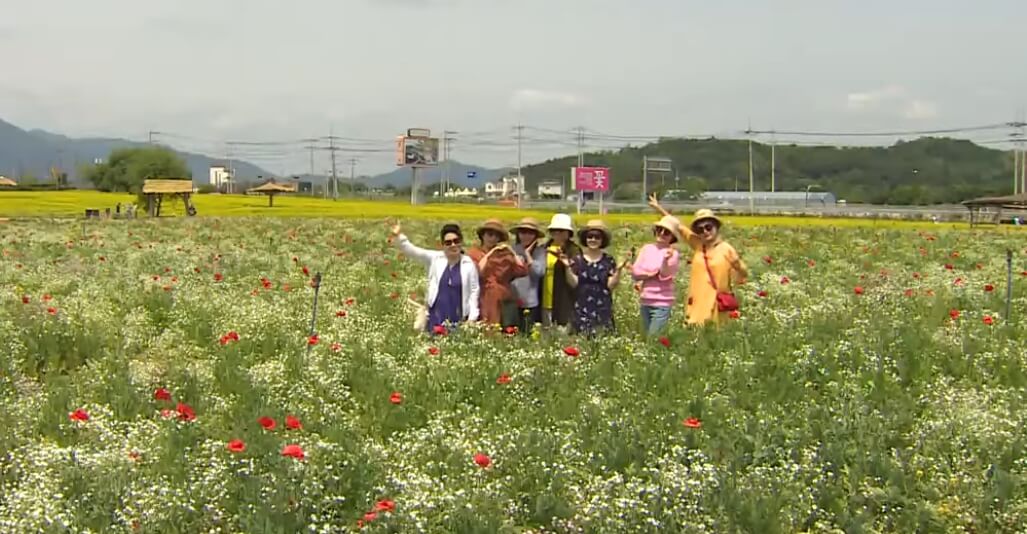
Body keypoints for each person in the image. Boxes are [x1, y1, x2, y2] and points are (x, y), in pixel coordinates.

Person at [649, 194, 749, 326]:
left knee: (714, 336)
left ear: (716, 227)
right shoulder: (697, 244)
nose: (705, 232)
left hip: (716, 304)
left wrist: (738, 272)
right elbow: (677, 225)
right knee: (694, 334)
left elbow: (743, 271)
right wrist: (658, 208)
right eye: (700, 229)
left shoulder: (726, 249)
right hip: (697, 302)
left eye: (708, 227)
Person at [392, 222, 480, 332]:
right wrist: (398, 235)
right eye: (448, 243)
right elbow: (413, 251)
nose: (453, 245)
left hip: (459, 317)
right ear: (443, 245)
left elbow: (473, 292)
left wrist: (472, 318)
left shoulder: (468, 264)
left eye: (456, 241)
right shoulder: (436, 258)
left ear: (461, 242)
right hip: (436, 316)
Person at [557, 219, 631, 336]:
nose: (593, 240)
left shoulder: (608, 260)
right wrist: (567, 267)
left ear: (602, 240)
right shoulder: (577, 260)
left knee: (602, 340)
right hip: (581, 307)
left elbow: (610, 286)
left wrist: (619, 270)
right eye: (590, 236)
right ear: (585, 239)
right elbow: (574, 283)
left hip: (602, 307)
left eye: (597, 237)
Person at [466, 219, 528, 327]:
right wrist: (491, 253)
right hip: (484, 296)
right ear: (483, 236)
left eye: (496, 236)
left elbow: (522, 270)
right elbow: (478, 271)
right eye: (490, 234)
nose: (493, 238)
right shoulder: (474, 253)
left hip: (503, 298)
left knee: (504, 330)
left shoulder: (503, 254)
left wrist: (512, 252)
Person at [631, 214, 682, 336]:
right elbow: (635, 272)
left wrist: (665, 261)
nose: (662, 233)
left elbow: (664, 275)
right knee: (646, 335)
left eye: (667, 232)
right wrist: (649, 274)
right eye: (660, 230)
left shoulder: (673, 254)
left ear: (672, 237)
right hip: (645, 299)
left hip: (662, 302)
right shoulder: (647, 248)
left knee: (653, 337)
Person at [539, 213, 579, 328]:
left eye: (561, 231)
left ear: (568, 233)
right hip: (544, 301)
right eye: (554, 230)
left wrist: (565, 261)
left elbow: (576, 275)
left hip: (564, 301)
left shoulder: (573, 251)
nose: (557, 234)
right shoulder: (543, 248)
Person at [510, 217, 546, 334]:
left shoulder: (540, 252)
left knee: (528, 334)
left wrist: (528, 256)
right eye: (523, 232)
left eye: (530, 233)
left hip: (530, 301)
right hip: (512, 299)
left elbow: (539, 273)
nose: (526, 236)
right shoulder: (513, 250)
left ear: (535, 236)